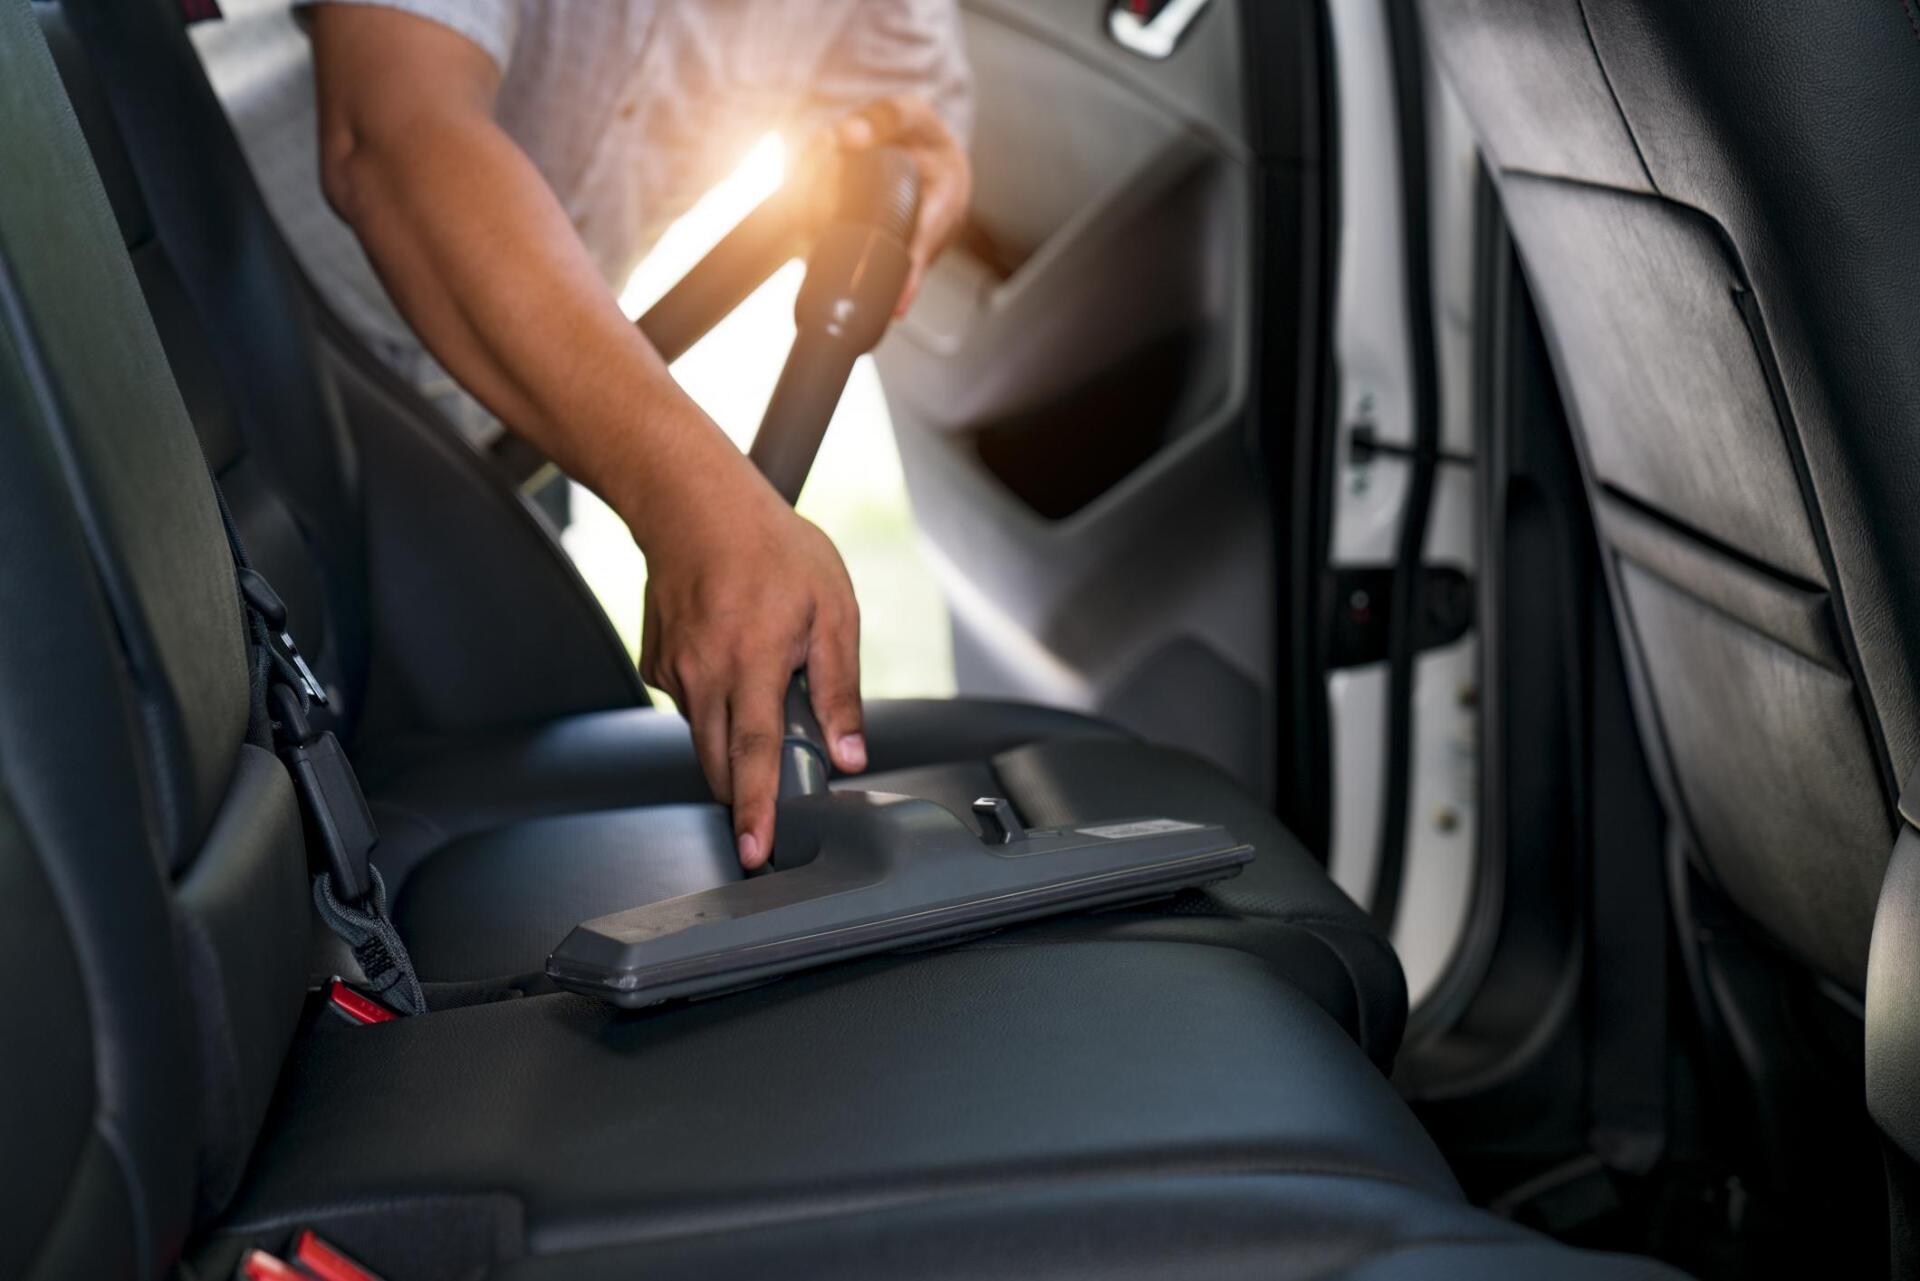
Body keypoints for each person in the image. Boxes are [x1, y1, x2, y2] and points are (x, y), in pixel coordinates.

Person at [238, 0, 973, 870]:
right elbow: (390, 130)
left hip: (509, 406)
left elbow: (901, 134)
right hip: (245, 335)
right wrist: (694, 498)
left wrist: (906, 169)